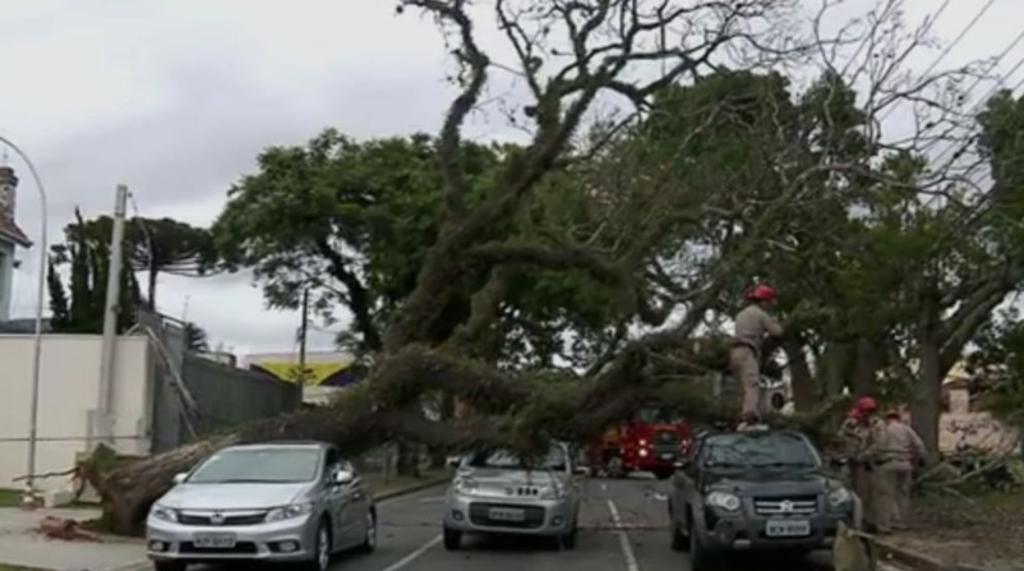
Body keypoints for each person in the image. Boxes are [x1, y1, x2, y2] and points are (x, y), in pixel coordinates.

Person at [730, 284, 784, 422]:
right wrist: (776, 321)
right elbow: (777, 332)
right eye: (769, 302)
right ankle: (749, 415)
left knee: (742, 386)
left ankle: (739, 413)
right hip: (748, 351)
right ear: (764, 301)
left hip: (734, 352)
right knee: (752, 383)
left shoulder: (741, 314)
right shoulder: (760, 314)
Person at [839, 396, 886, 533]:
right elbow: (841, 438)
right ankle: (856, 522)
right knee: (854, 494)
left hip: (869, 464)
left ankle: (872, 523)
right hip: (852, 463)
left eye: (868, 412)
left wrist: (863, 456)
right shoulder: (853, 423)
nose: (865, 415)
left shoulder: (877, 424)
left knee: (872, 495)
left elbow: (880, 444)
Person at [876, 410, 926, 531]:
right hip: (905, 464)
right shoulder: (906, 429)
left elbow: (877, 445)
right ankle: (902, 522)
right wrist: (921, 459)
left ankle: (885, 525)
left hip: (889, 463)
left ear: (887, 418)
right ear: (898, 418)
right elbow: (919, 445)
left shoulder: (884, 429)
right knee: (903, 495)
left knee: (886, 495)